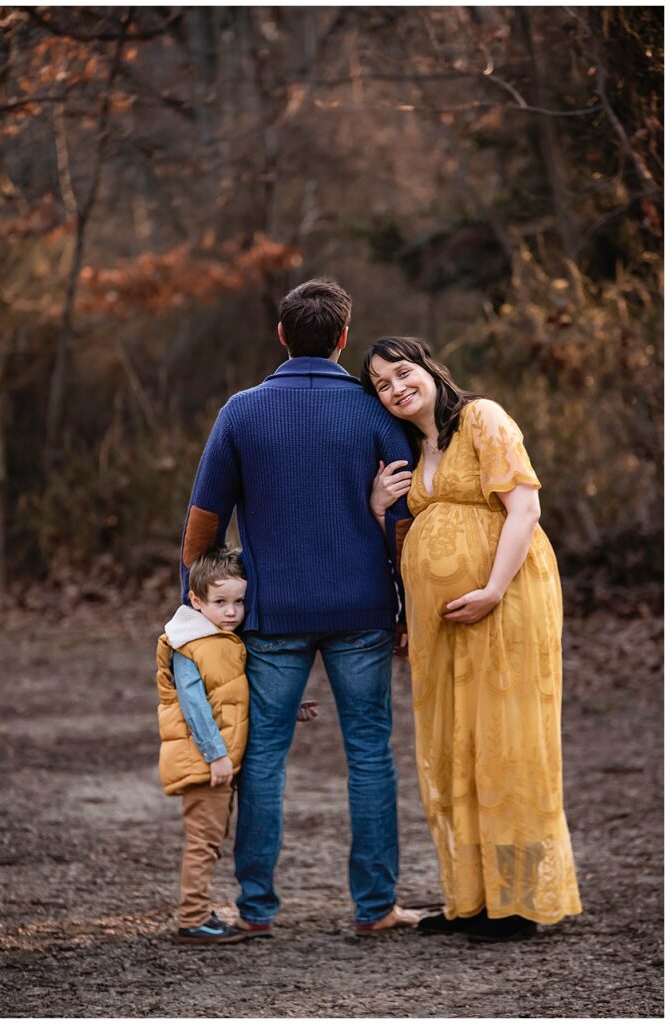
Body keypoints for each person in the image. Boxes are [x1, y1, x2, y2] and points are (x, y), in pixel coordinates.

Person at [179, 279, 419, 937]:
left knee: (263, 757)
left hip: (272, 614)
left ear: (281, 335)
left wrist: (194, 606)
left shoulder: (241, 411)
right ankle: (376, 909)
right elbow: (405, 520)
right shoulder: (377, 414)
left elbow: (203, 521)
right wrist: (407, 609)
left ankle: (255, 911)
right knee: (370, 751)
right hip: (363, 611)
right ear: (343, 338)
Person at [363, 336, 582, 943]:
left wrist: (490, 589)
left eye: (402, 373)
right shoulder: (413, 446)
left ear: (429, 369)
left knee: (505, 743)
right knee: (454, 743)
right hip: (443, 625)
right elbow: (416, 537)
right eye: (381, 384)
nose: (395, 388)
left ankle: (518, 903)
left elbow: (525, 511)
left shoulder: (481, 417)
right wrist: (381, 506)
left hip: (506, 602)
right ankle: (472, 898)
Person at [156, 546, 252, 944]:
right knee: (204, 842)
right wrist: (216, 756)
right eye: (220, 602)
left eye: (239, 601)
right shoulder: (190, 645)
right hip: (205, 763)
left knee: (210, 840)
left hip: (216, 762)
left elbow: (232, 695)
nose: (231, 611)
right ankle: (193, 919)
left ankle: (198, 910)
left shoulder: (220, 640)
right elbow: (195, 708)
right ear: (196, 601)